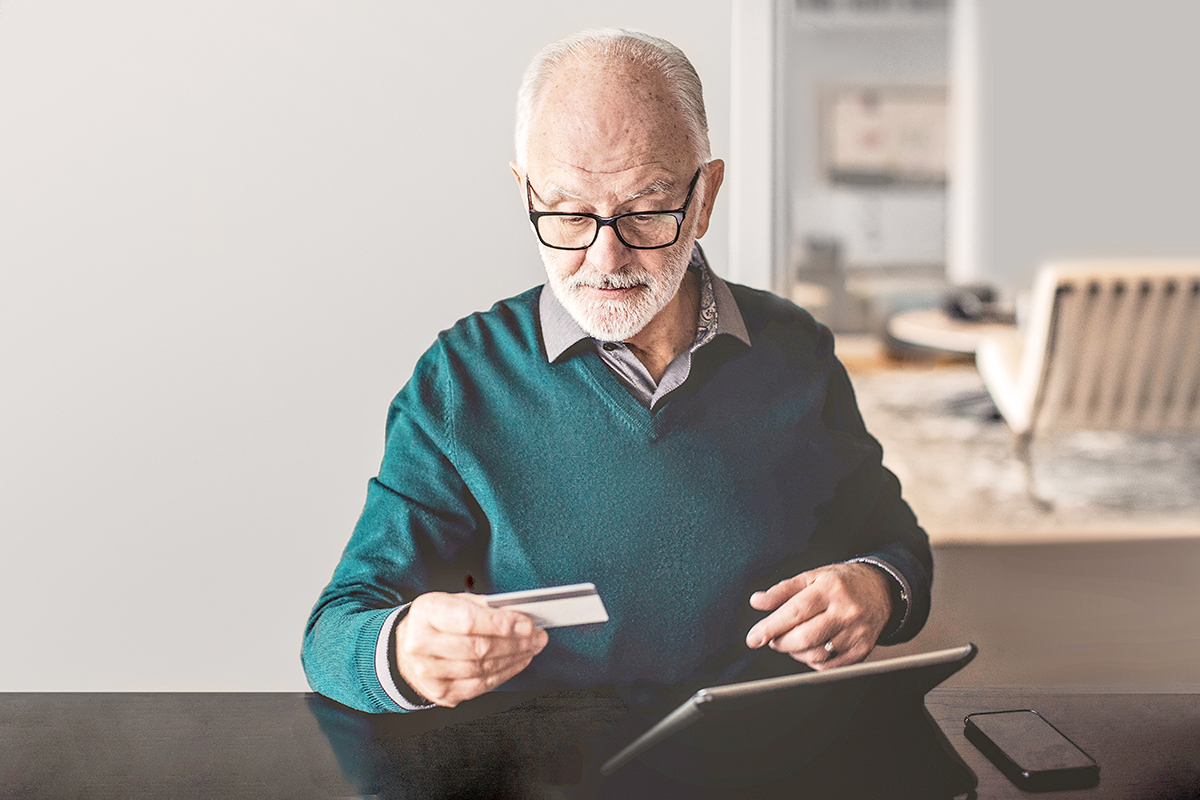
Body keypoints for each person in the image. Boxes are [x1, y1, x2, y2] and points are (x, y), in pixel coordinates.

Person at [302, 28, 931, 714]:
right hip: (542, 771)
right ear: (526, 194)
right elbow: (335, 632)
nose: (606, 258)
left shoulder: (795, 350)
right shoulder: (460, 380)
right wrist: (399, 651)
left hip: (762, 760)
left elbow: (896, 546)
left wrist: (875, 589)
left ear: (706, 196)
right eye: (569, 214)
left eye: (645, 210)